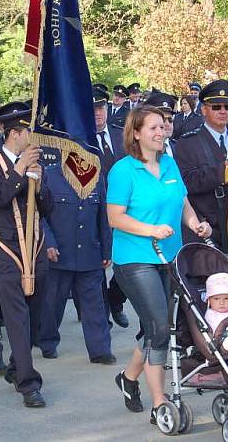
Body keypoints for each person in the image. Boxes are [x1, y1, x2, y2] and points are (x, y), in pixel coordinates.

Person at [108, 105, 211, 427]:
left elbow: (182, 201)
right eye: (153, 127)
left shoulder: (169, 164)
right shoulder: (123, 171)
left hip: (169, 257)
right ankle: (160, 402)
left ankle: (128, 377)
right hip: (135, 258)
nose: (161, 132)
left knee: (159, 326)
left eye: (163, 127)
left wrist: (196, 224)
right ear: (136, 133)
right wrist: (149, 229)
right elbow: (115, 217)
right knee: (159, 329)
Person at [0, 101, 52, 408]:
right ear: (16, 134)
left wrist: (39, 182)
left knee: (34, 316)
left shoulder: (35, 165)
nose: (34, 139)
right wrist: (20, 170)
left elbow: (48, 208)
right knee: (17, 318)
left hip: (35, 248)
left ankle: (15, 364)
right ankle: (28, 384)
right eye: (29, 133)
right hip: (5, 250)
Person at [174, 80, 228, 301]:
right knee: (213, 295)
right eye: (216, 106)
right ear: (203, 109)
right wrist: (225, 171)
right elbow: (188, 183)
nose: (222, 111)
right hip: (207, 227)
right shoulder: (188, 143)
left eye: (227, 106)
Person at [39, 163, 116, 364]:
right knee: (52, 304)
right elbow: (39, 214)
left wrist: (106, 250)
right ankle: (47, 341)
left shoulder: (95, 177)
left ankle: (100, 350)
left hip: (89, 254)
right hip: (59, 254)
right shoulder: (50, 175)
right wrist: (48, 242)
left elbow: (102, 216)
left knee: (95, 306)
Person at [93, 86, 129, 329]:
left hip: (126, 211)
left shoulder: (120, 135)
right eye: (92, 109)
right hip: (96, 211)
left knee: (126, 264)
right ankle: (100, 316)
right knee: (97, 266)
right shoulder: (79, 141)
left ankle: (115, 298)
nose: (97, 113)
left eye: (101, 108)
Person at [142, 89, 178, 158]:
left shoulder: (179, 147)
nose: (167, 124)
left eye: (170, 120)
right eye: (163, 120)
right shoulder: (144, 149)